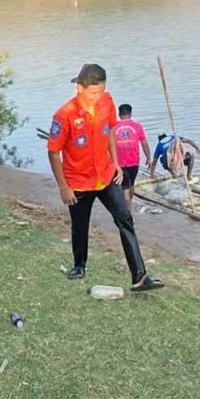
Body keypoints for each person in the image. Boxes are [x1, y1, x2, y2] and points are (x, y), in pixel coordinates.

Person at [47, 63, 163, 291]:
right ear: (80, 88)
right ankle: (79, 265)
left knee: (125, 218)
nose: (97, 97)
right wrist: (63, 187)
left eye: (101, 91)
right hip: (78, 180)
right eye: (93, 93)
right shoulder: (64, 115)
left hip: (106, 174)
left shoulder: (107, 102)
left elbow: (110, 131)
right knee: (80, 226)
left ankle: (140, 276)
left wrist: (116, 163)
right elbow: (53, 152)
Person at [113, 103, 152, 203]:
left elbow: (108, 145)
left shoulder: (113, 127)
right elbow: (144, 144)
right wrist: (148, 158)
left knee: (125, 186)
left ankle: (127, 206)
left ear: (119, 114)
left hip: (120, 163)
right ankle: (129, 204)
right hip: (134, 161)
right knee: (131, 184)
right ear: (130, 114)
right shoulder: (137, 126)